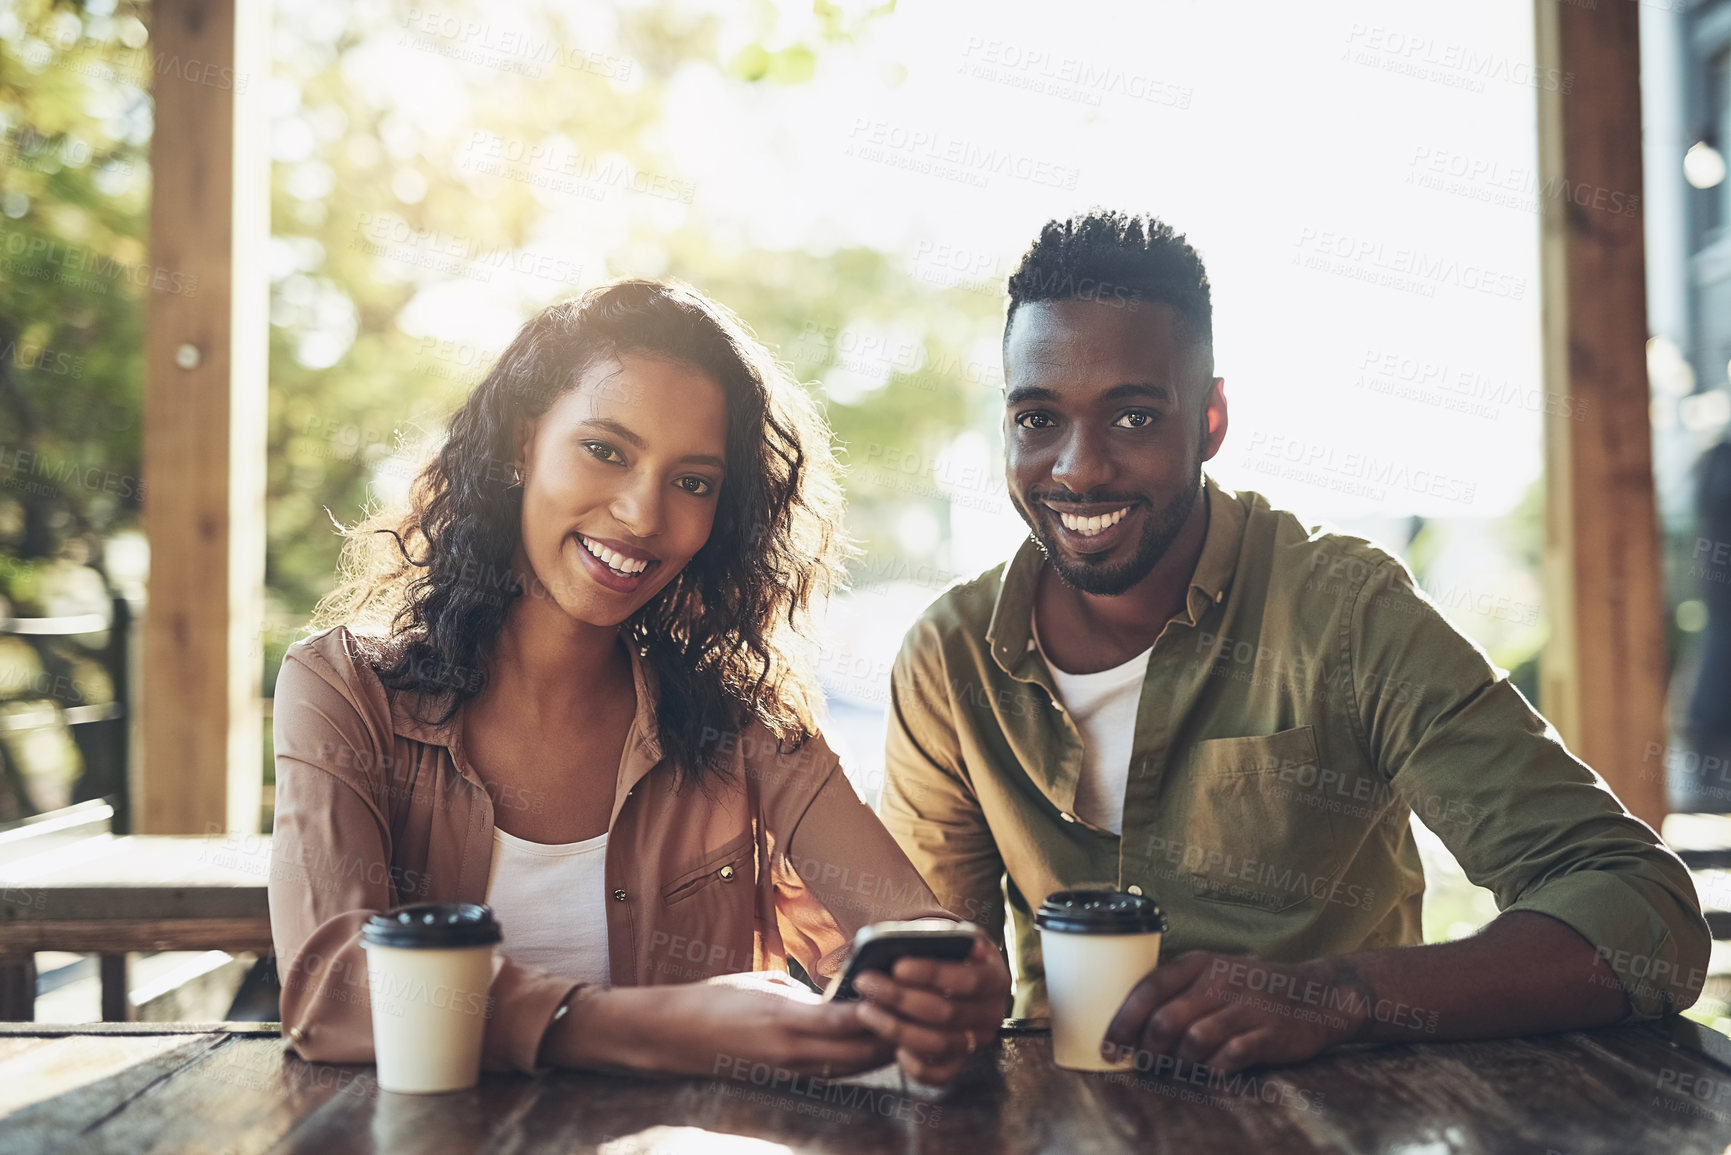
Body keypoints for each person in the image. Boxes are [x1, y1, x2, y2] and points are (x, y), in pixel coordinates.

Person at [880, 210, 1709, 1076]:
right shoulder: (952, 658)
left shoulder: (1347, 613)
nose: (1078, 468)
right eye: (1037, 419)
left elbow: (1639, 907)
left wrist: (1339, 995)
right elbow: (935, 982)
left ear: (1208, 421)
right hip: (1066, 1119)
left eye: (1132, 417)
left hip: (1331, 1120)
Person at [269, 279, 1010, 1084]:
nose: (642, 514)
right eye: (606, 450)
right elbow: (333, 992)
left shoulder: (742, 723)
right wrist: (664, 1026)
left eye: (692, 481)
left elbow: (912, 931)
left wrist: (954, 987)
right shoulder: (343, 691)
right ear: (521, 444)